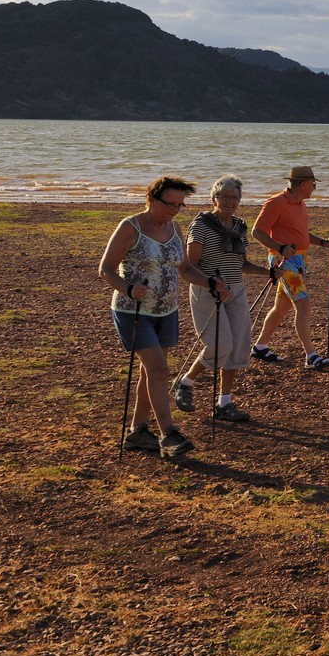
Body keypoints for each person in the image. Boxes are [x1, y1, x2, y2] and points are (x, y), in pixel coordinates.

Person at [98, 175, 197, 459]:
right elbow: (105, 269)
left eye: (180, 205)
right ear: (152, 199)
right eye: (170, 204)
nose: (175, 210)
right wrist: (129, 287)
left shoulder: (175, 227)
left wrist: (211, 283)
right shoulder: (131, 227)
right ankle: (169, 433)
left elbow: (186, 269)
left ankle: (137, 431)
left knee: (150, 372)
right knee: (159, 371)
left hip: (167, 310)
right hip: (133, 311)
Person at [174, 175, 270, 422]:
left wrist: (267, 271)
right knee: (220, 344)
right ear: (213, 198)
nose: (230, 201)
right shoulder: (201, 226)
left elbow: (241, 264)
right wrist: (212, 284)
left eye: (234, 197)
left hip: (235, 291)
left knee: (237, 347)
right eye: (224, 196)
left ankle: (224, 403)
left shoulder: (239, 226)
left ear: (240, 200)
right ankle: (185, 381)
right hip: (207, 292)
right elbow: (187, 267)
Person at [251, 165, 329, 369]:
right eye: (313, 184)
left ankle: (260, 347)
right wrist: (280, 247)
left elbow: (301, 235)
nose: (314, 188)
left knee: (281, 307)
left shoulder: (300, 204)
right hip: (284, 262)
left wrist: (324, 243)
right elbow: (257, 232)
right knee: (303, 305)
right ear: (302, 184)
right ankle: (311, 356)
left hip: (299, 261)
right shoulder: (276, 203)